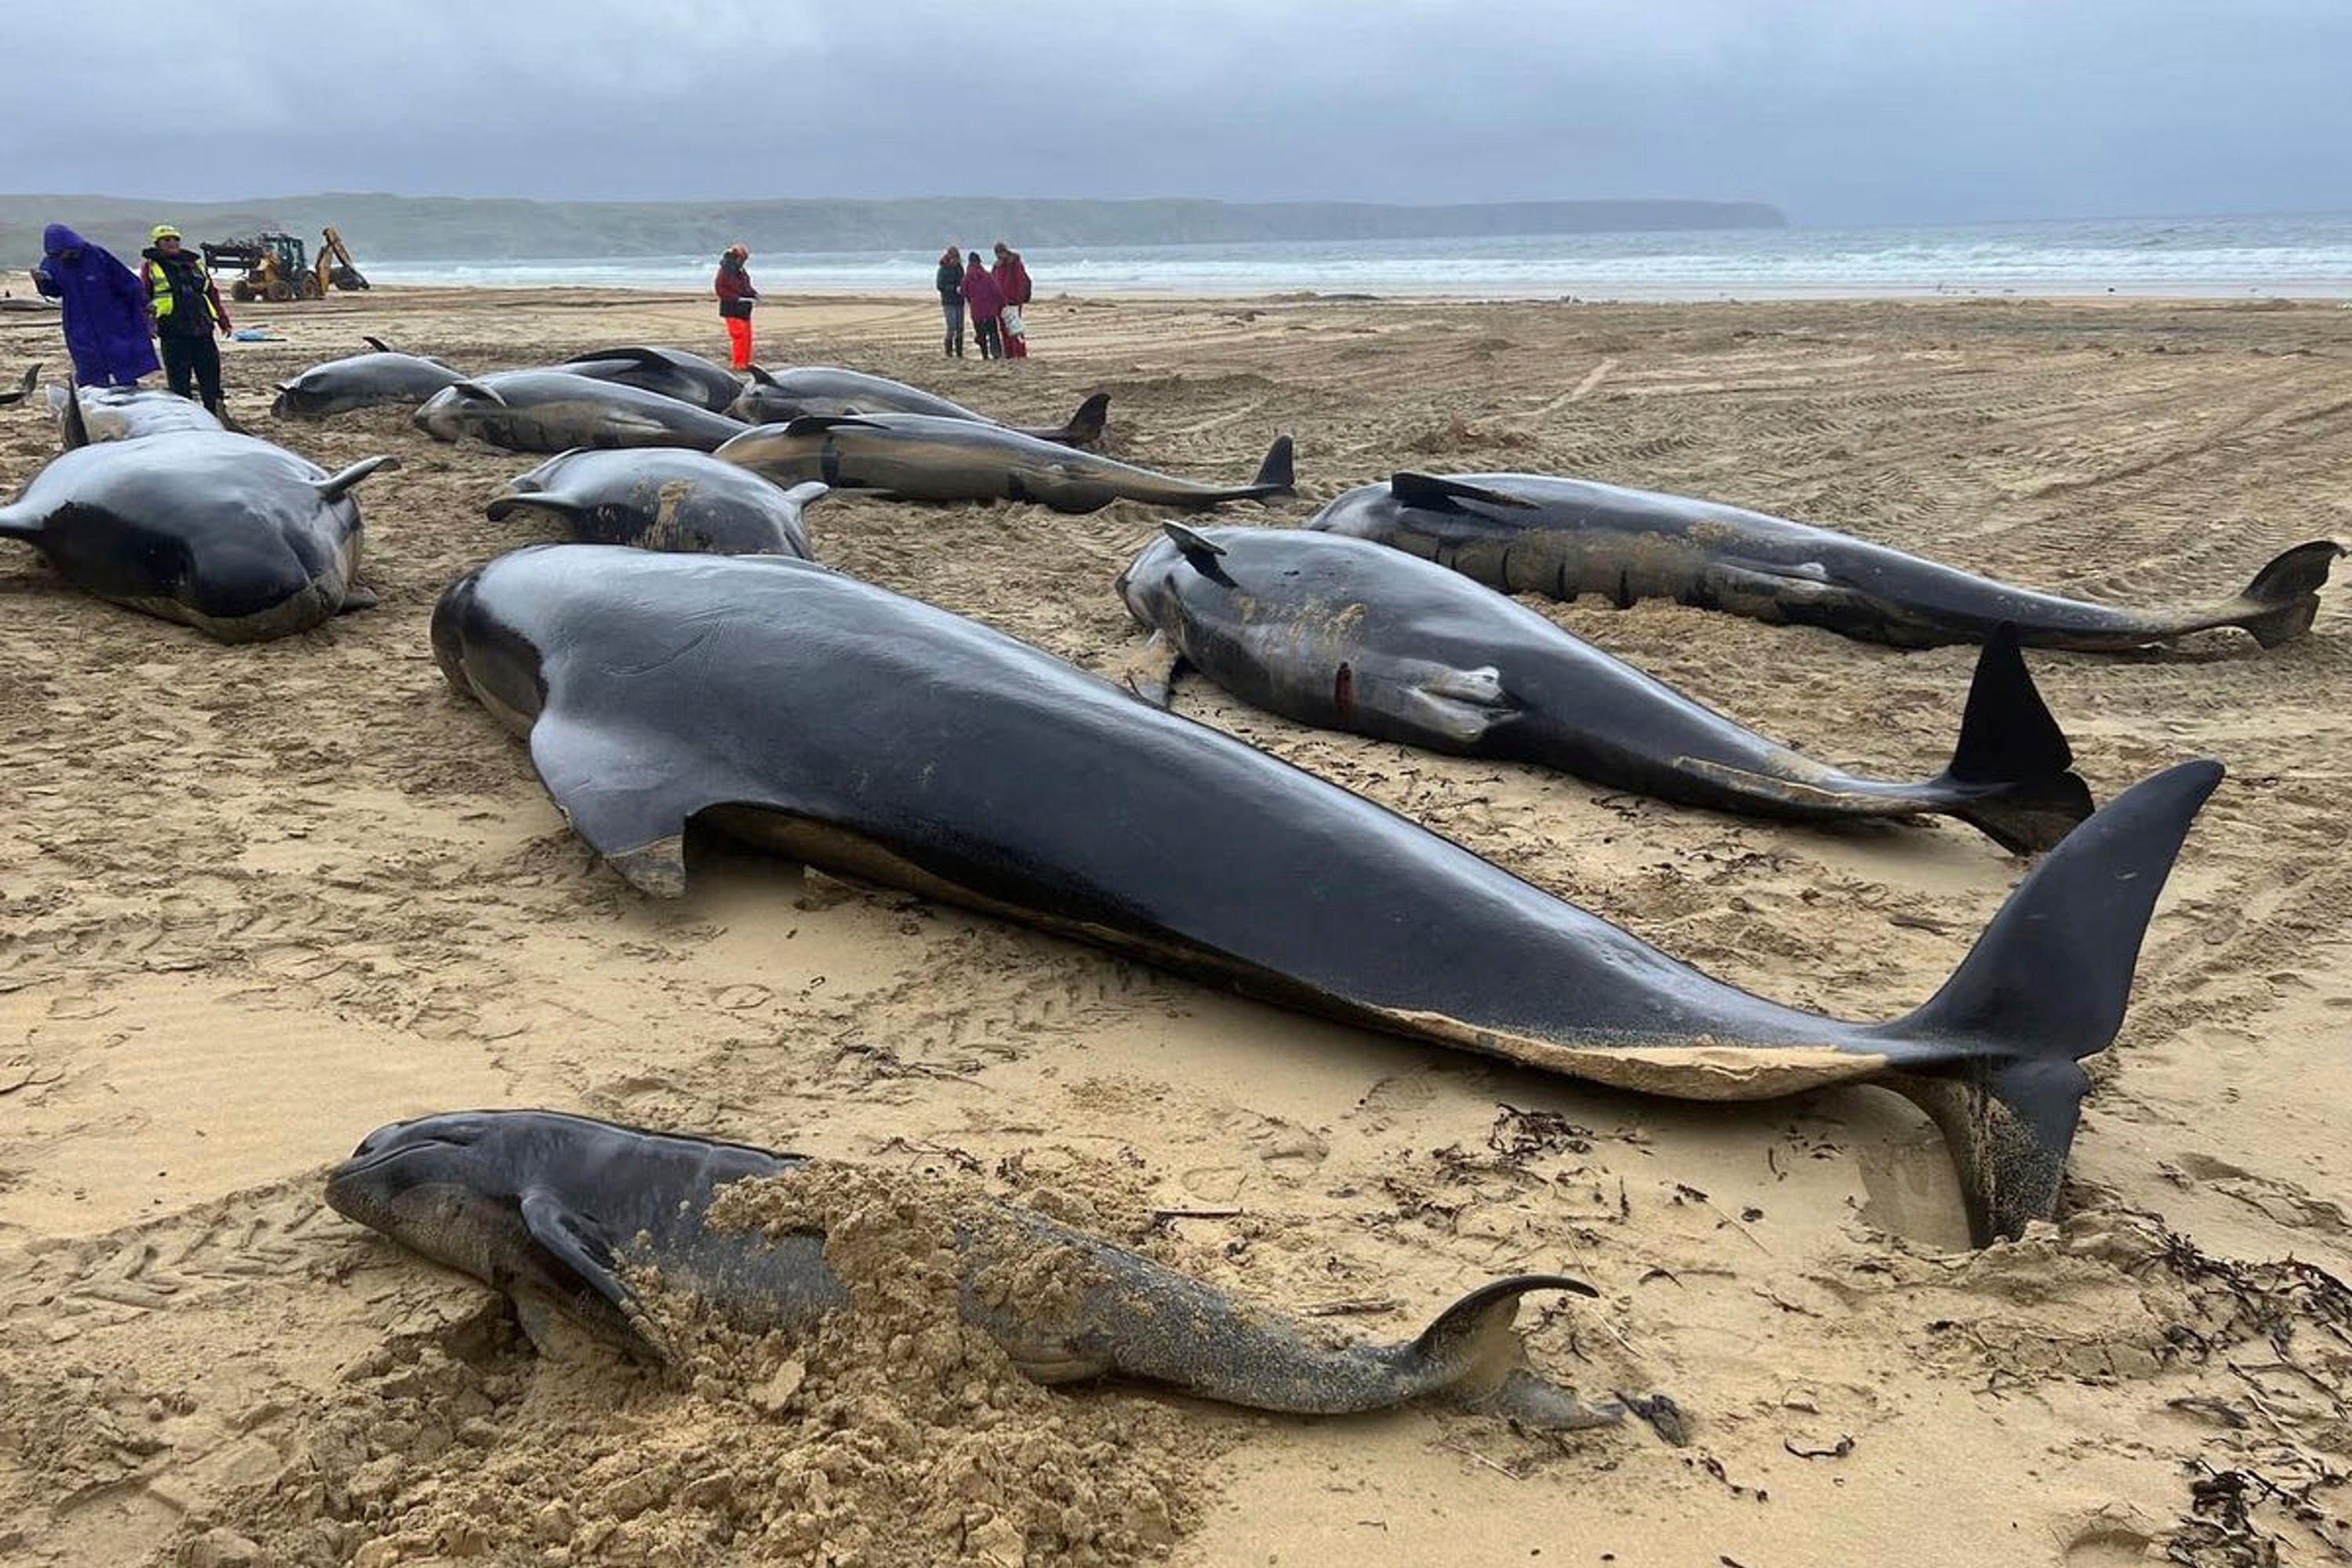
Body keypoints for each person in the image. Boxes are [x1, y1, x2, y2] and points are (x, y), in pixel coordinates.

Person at [32, 224, 162, 388]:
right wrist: (42, 283)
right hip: (79, 321)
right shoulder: (52, 263)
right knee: (89, 365)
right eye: (56, 255)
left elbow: (127, 281)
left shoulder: (97, 255)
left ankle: (128, 390)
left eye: (62, 252)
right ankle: (94, 399)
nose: (62, 257)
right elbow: (56, 292)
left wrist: (144, 303)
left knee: (122, 360)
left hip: (112, 317)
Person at [139, 225, 232, 413]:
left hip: (202, 327)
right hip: (173, 331)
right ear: (157, 244)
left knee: (210, 376)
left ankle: (215, 412)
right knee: (179, 380)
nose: (172, 243)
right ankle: (186, 416)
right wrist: (147, 325)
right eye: (167, 240)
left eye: (175, 239)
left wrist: (223, 320)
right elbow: (143, 297)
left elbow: (211, 293)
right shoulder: (151, 267)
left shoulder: (196, 264)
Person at [714, 245, 758, 369]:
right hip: (732, 308)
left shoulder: (740, 270)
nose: (743, 261)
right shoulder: (725, 271)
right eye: (742, 259)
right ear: (736, 257)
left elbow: (746, 286)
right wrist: (737, 298)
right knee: (739, 336)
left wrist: (753, 294)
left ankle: (745, 362)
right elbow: (720, 290)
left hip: (744, 308)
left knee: (747, 337)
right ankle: (739, 364)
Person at [990, 241, 1033, 360]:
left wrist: (1019, 300)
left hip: (1013, 301)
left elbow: (1021, 282)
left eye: (1001, 253)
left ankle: (1020, 353)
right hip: (1000, 303)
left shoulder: (1015, 263)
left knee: (1016, 329)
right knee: (1004, 329)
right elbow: (993, 283)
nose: (999, 256)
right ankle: (1009, 354)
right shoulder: (997, 266)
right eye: (997, 254)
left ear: (1005, 251)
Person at [960, 249, 1005, 361]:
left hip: (977, 311)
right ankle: (996, 354)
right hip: (990, 309)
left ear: (970, 263)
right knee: (993, 332)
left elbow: (963, 292)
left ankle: (985, 355)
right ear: (980, 262)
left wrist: (970, 297)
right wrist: (1002, 303)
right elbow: (997, 291)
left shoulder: (967, 278)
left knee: (981, 334)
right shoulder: (987, 276)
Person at [935, 245, 967, 358]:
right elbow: (939, 285)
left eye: (956, 258)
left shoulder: (960, 268)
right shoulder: (943, 269)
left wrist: (963, 289)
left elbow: (964, 281)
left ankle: (959, 352)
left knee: (960, 327)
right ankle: (949, 352)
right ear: (949, 257)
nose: (955, 260)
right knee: (952, 327)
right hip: (948, 301)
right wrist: (953, 288)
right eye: (953, 258)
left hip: (959, 301)